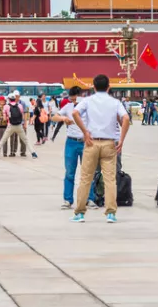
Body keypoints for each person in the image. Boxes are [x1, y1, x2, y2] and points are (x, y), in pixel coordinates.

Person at [70, 75, 129, 224]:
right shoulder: (115, 102)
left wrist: (85, 132)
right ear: (108, 87)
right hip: (109, 143)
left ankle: (80, 213)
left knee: (85, 179)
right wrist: (121, 139)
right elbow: (126, 119)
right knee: (110, 180)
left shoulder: (88, 101)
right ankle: (110, 213)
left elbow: (75, 113)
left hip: (92, 143)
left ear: (94, 87)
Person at [50, 86, 95, 209]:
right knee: (70, 172)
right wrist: (63, 118)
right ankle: (68, 199)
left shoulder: (88, 107)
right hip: (71, 142)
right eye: (73, 98)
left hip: (86, 142)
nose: (75, 101)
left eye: (76, 98)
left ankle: (90, 198)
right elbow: (53, 117)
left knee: (88, 172)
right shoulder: (68, 107)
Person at [0, 92, 36, 159]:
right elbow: (21, 116)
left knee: (3, 140)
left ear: (9, 99)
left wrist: (8, 117)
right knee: (26, 140)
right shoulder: (20, 106)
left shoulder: (6, 106)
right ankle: (33, 153)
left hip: (10, 125)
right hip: (19, 126)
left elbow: (4, 119)